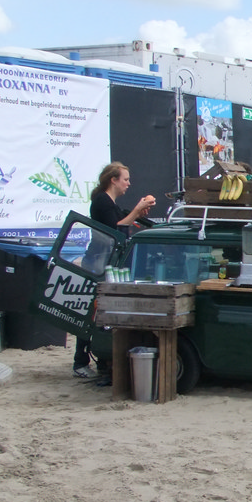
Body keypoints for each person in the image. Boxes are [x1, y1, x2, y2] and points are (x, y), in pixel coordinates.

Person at [73, 162, 157, 378]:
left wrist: (138, 213)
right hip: (98, 261)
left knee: (102, 312)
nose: (128, 183)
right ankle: (81, 361)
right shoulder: (102, 201)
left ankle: (101, 360)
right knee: (92, 312)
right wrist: (137, 210)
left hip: (104, 261)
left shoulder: (109, 202)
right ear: (113, 180)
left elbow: (121, 223)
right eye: (125, 179)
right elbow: (116, 229)